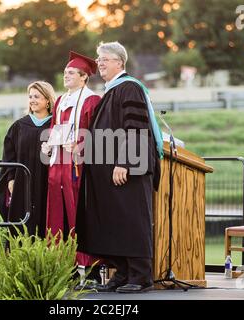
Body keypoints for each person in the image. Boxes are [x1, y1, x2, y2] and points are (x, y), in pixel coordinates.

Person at [75, 42, 163, 293]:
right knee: (115, 223)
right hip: (109, 174)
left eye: (105, 59)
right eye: (98, 58)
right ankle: (122, 273)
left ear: (120, 63)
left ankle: (141, 276)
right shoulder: (112, 90)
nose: (99, 62)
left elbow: (135, 128)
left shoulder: (130, 88)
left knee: (132, 221)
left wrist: (125, 162)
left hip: (127, 171)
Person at [42, 51, 101, 283]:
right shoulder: (60, 100)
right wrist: (48, 143)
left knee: (79, 213)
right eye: (65, 72)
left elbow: (96, 132)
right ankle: (63, 265)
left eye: (71, 73)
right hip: (58, 163)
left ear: (84, 77)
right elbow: (56, 127)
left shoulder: (91, 99)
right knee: (57, 215)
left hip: (78, 166)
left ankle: (91, 267)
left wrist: (80, 145)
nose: (65, 76)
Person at [0, 81, 55, 238]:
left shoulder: (55, 125)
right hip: (22, 182)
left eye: (37, 96)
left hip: (46, 182)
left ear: (48, 100)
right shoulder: (19, 126)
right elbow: (9, 156)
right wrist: (10, 179)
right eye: (30, 97)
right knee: (21, 223)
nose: (32, 100)